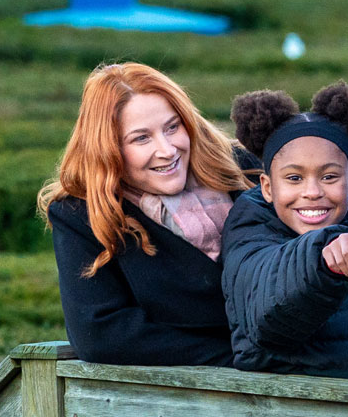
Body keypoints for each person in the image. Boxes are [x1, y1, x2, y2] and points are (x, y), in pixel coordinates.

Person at [38, 62, 249, 365]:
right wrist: (244, 355)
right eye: (141, 138)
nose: (167, 150)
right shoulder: (81, 215)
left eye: (172, 127)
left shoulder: (243, 168)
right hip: (190, 389)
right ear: (108, 149)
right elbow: (99, 334)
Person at [220, 82, 348, 380]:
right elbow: (268, 308)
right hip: (289, 406)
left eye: (329, 177)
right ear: (267, 187)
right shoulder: (250, 228)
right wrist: (323, 260)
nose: (313, 192)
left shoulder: (346, 228)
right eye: (294, 178)